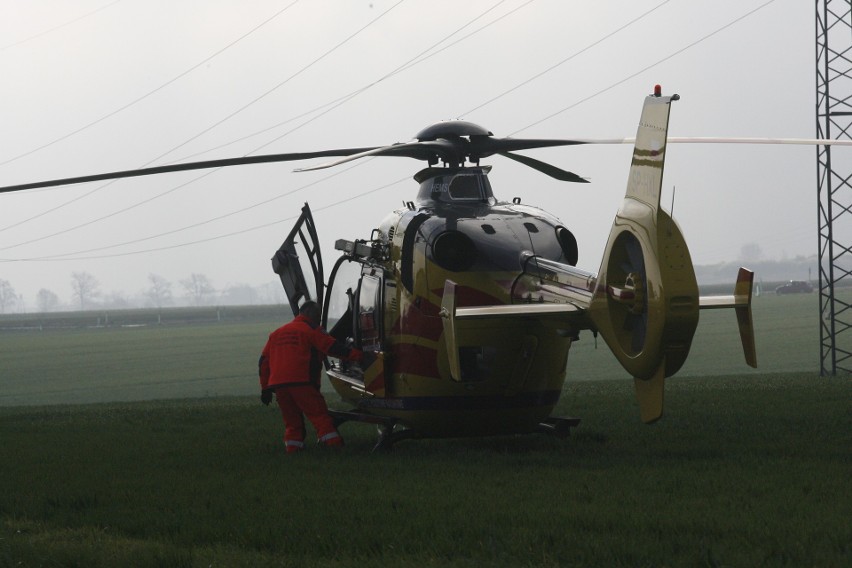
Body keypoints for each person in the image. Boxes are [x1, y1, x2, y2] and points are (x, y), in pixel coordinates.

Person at [258, 301, 364, 453]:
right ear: (311, 314)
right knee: (320, 417)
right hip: (302, 383)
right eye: (318, 315)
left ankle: (293, 449)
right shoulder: (311, 330)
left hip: (279, 386)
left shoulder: (277, 333)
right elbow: (333, 348)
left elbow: (263, 363)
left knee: (292, 421)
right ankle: (334, 446)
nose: (319, 319)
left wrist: (265, 388)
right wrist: (359, 356)